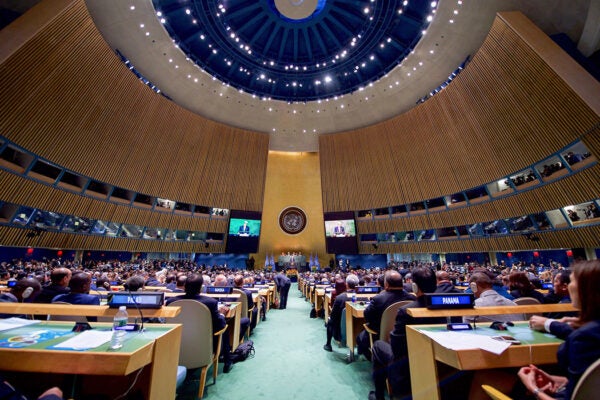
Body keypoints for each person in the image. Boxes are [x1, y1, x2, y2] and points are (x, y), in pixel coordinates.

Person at [517, 260, 600, 399]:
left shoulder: (584, 338)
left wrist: (533, 388)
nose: (568, 286)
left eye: (572, 281)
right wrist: (562, 381)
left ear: (586, 289)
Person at [369, 267, 447, 400]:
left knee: (378, 345)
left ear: (414, 286)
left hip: (406, 368)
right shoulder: (446, 307)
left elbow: (396, 347)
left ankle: (379, 396)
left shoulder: (406, 311)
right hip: (441, 365)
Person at [166, 274, 233, 373]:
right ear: (201, 288)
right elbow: (220, 325)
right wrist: (222, 314)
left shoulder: (171, 302)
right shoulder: (210, 302)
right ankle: (228, 362)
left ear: (184, 286)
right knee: (225, 328)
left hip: (177, 346)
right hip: (205, 347)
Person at [356, 271, 415, 360]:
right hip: (405, 337)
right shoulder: (412, 298)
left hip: (379, 335)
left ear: (386, 284)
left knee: (359, 338)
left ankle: (372, 358)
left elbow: (367, 316)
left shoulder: (378, 299)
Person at [324, 274, 359, 352]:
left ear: (346, 284)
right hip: (359, 327)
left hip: (341, 330)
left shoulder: (340, 298)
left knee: (330, 321)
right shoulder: (362, 296)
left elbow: (333, 316)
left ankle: (328, 344)